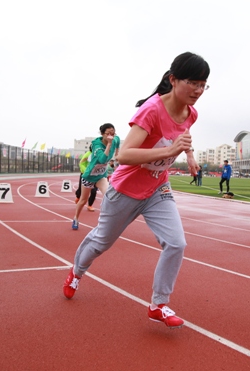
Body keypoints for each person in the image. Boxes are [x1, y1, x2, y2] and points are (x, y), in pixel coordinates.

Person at [63, 52, 209, 329]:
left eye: (204, 84)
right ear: (173, 79)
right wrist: (171, 150)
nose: (199, 91)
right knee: (101, 243)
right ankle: (76, 272)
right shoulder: (151, 110)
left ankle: (159, 305)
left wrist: (189, 155)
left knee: (176, 243)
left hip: (157, 188)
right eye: (193, 83)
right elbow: (125, 155)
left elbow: (183, 135)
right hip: (125, 190)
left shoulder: (192, 112)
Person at [72, 123, 120, 230]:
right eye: (108, 133)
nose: (111, 135)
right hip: (89, 176)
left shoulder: (115, 139)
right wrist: (109, 144)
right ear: (102, 134)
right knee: (83, 200)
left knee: (108, 194)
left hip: (101, 175)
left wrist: (117, 153)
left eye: (113, 132)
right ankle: (76, 218)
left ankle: (105, 222)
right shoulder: (97, 146)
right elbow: (102, 159)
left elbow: (117, 140)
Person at [75, 147, 98, 212]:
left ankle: (90, 205)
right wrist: (86, 171)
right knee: (81, 189)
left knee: (93, 191)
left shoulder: (97, 155)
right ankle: (78, 196)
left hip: (94, 175)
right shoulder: (87, 154)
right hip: (85, 174)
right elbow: (81, 163)